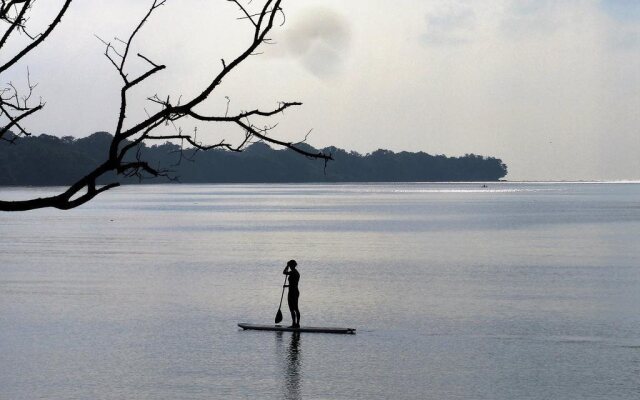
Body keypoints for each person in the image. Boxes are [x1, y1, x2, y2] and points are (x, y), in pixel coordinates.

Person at [283, 259, 300, 328]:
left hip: (294, 292)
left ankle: (297, 324)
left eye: (290, 265)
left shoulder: (294, 272)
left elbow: (294, 284)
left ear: (293, 265)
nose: (290, 266)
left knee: (295, 308)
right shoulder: (292, 271)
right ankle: (294, 324)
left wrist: (287, 286)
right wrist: (287, 266)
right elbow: (284, 272)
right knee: (291, 309)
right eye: (289, 265)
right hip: (291, 292)